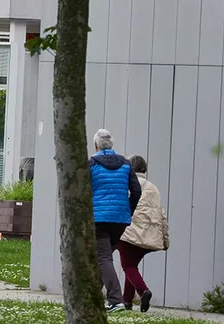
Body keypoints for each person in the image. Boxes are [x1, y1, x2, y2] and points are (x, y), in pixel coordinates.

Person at [89, 128, 141, 313]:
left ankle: (115, 300)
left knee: (103, 258)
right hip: (120, 220)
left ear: (96, 145)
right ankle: (92, 297)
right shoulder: (126, 164)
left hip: (99, 218)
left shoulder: (91, 164)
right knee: (103, 258)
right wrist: (127, 210)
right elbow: (136, 192)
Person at [118, 155, 169, 312]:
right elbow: (162, 215)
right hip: (149, 236)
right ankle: (127, 301)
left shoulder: (127, 185)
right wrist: (165, 238)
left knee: (127, 265)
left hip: (129, 233)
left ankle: (143, 291)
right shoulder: (154, 188)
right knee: (132, 265)